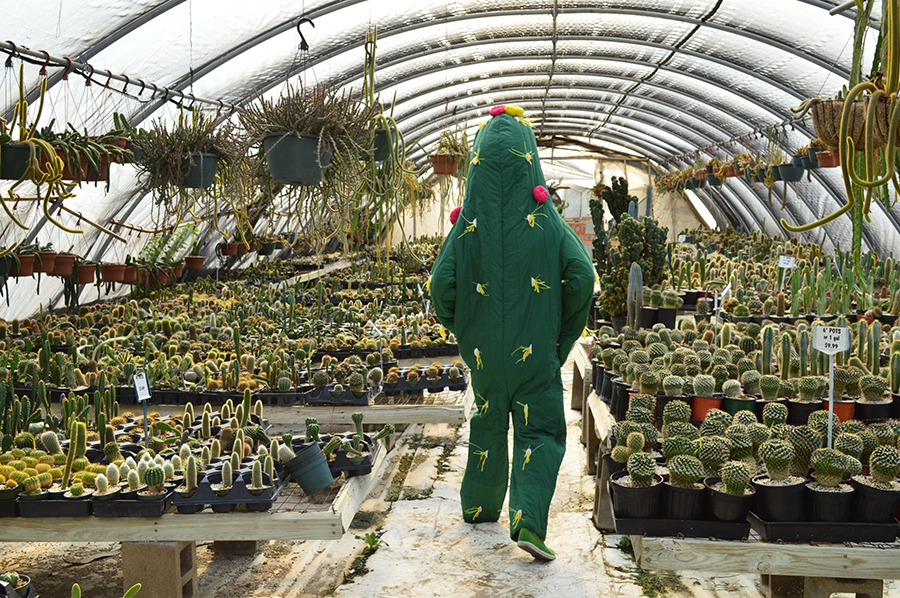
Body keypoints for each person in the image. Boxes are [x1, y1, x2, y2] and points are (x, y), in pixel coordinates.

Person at [430, 104, 594, 561]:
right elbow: (581, 278)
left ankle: (479, 506)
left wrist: (464, 328)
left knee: (486, 421)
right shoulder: (549, 223)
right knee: (538, 430)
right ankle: (527, 523)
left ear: (476, 162)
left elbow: (439, 286)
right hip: (535, 349)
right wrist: (562, 337)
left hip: (483, 353)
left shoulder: (466, 225)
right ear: (530, 158)